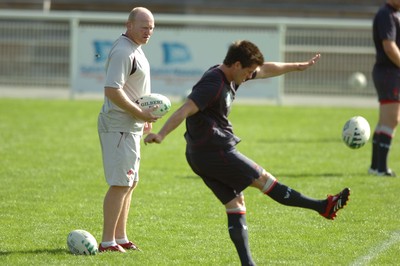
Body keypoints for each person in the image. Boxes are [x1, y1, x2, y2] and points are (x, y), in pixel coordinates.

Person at [144, 40, 350, 265]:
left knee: (235, 204)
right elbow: (184, 109)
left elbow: (266, 69)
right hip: (216, 152)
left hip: (199, 155)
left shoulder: (231, 74)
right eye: (249, 71)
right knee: (264, 180)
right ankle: (323, 206)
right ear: (237, 65)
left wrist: (297, 66)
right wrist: (161, 134)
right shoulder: (213, 83)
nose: (251, 76)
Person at [97, 7, 160, 253]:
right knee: (121, 183)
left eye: (152, 27)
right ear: (129, 24)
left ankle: (120, 237)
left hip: (130, 124)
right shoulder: (123, 50)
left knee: (130, 182)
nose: (148, 32)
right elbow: (112, 89)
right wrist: (138, 112)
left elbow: (132, 89)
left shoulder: (136, 49)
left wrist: (143, 115)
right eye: (144, 27)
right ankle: (107, 242)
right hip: (118, 125)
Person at [369, 0, 400, 177]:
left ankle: (375, 166)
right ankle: (381, 168)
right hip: (389, 72)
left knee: (384, 121)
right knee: (392, 120)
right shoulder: (386, 14)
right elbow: (389, 47)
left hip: (389, 72)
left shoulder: (392, 13)